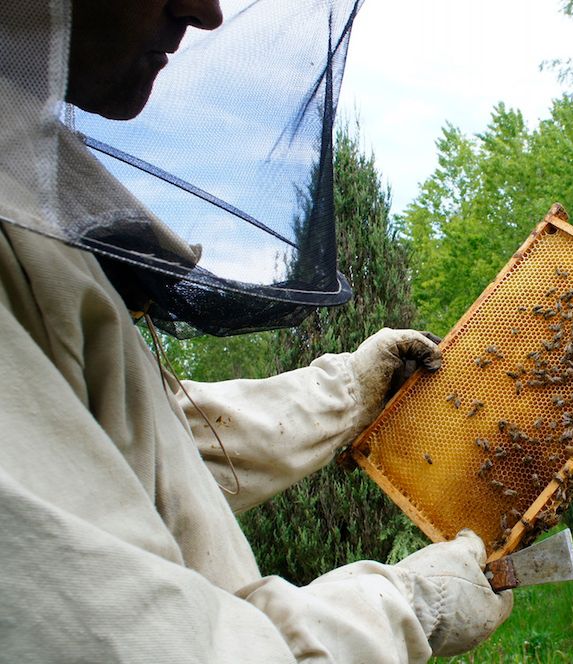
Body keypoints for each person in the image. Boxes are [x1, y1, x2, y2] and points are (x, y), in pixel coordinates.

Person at [0, 1, 512, 661]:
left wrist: (345, 392)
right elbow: (144, 646)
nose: (206, 13)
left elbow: (133, 449)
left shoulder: (26, 204)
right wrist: (410, 607)